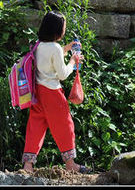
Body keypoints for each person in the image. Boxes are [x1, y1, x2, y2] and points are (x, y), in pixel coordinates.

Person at [22, 11, 90, 173]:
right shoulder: (55, 48)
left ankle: (28, 165)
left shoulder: (38, 45)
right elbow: (62, 74)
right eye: (64, 28)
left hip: (38, 92)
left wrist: (66, 49)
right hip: (53, 93)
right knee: (64, 125)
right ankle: (70, 164)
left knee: (36, 126)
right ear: (57, 31)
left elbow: (49, 61)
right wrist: (73, 61)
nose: (64, 30)